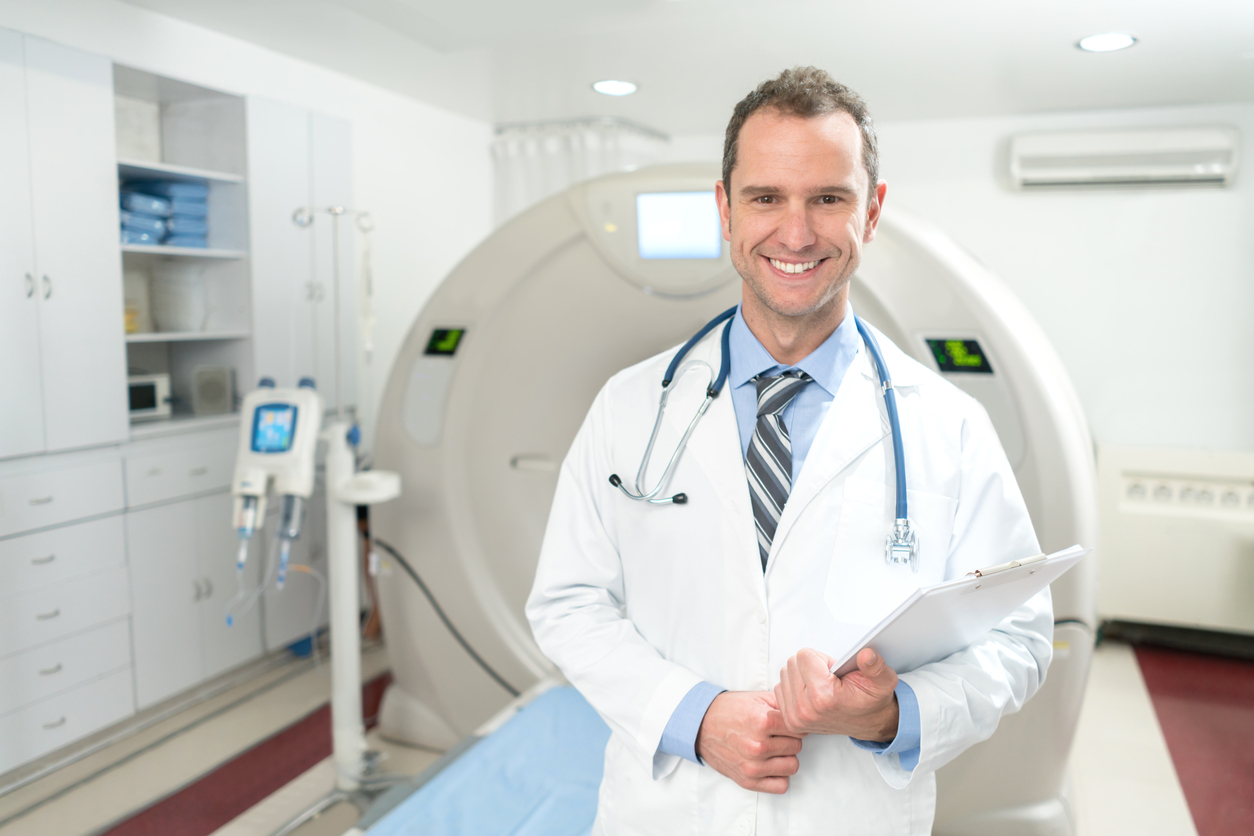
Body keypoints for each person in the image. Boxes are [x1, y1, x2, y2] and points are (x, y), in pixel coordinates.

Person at [526, 66, 1052, 835]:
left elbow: (1019, 637)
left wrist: (894, 714)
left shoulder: (948, 424)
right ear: (724, 209)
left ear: (871, 213)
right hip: (668, 812)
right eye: (766, 197)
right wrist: (694, 717)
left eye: (828, 199)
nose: (796, 233)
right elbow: (567, 603)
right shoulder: (630, 406)